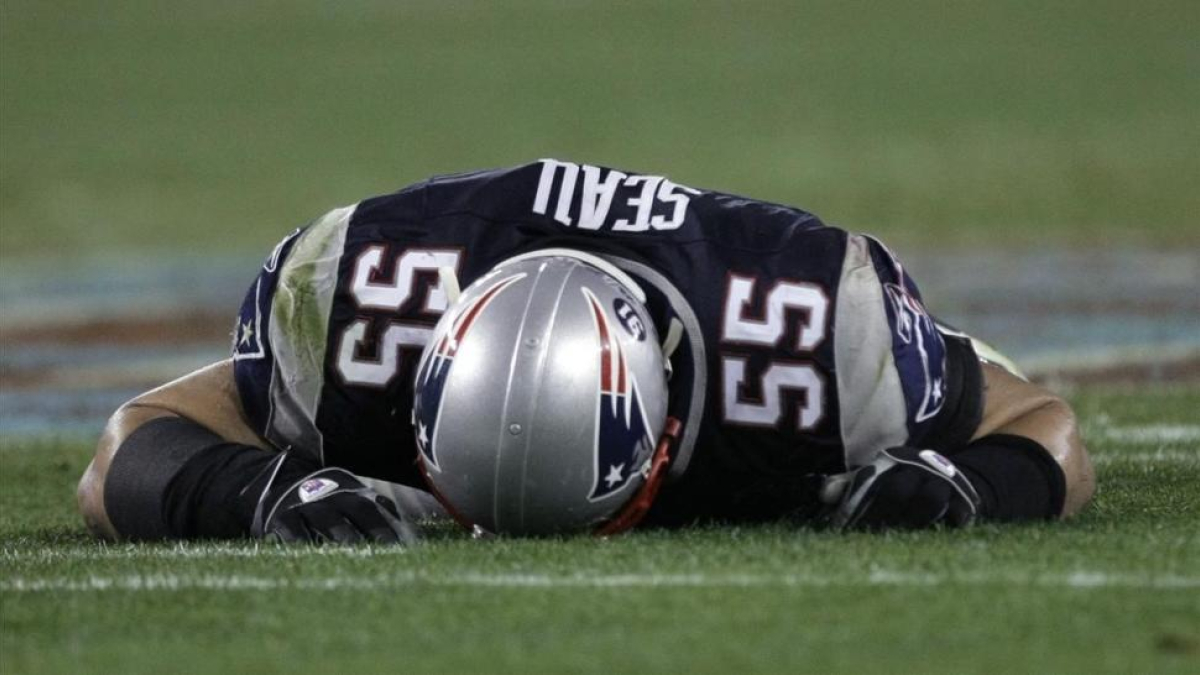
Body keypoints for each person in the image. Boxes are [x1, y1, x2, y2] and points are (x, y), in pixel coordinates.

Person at [77, 159, 1095, 543]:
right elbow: (127, 447)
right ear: (419, 393)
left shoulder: (814, 333)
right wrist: (249, 495)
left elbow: (1040, 422)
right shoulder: (354, 304)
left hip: (722, 274)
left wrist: (965, 484)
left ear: (668, 430)